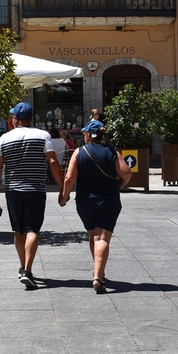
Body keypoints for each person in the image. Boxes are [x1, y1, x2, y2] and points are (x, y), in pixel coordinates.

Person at [0, 102, 65, 289]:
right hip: (36, 190)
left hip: (13, 190)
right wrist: (63, 187)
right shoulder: (43, 135)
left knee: (19, 230)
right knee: (33, 229)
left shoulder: (4, 139)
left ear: (15, 119)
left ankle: (23, 267)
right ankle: (27, 270)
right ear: (31, 118)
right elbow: (53, 162)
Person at [59, 119, 131, 294]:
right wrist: (119, 185)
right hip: (108, 199)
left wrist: (64, 196)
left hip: (85, 201)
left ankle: (98, 270)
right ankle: (98, 276)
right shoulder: (112, 152)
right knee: (102, 238)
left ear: (87, 135)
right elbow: (126, 173)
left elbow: (69, 179)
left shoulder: (79, 152)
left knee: (93, 236)